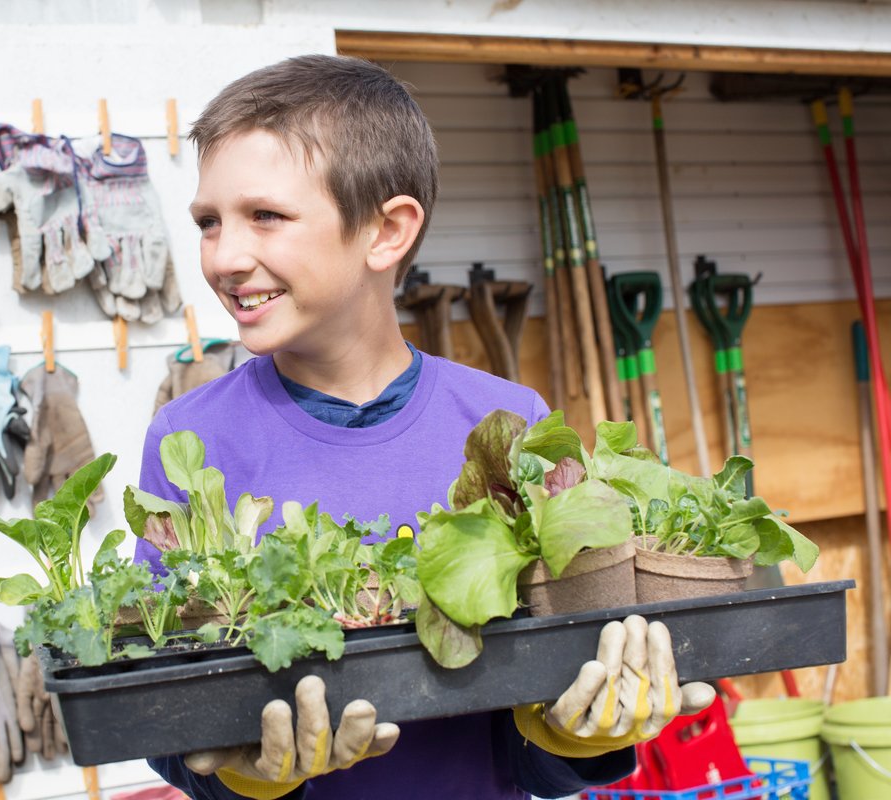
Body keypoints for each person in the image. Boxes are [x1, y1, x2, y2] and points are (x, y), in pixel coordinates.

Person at [134, 54, 714, 800]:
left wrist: (572, 734)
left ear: (387, 231)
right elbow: (153, 707)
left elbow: (535, 729)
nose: (224, 256)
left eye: (265, 217)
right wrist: (244, 779)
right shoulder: (190, 442)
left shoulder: (509, 426)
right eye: (209, 223)